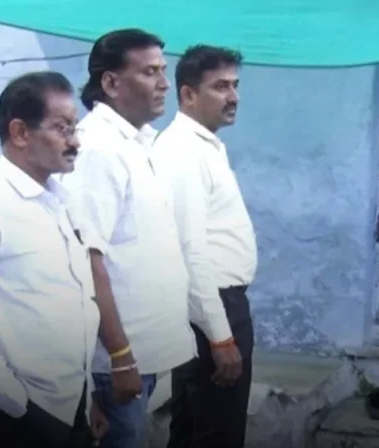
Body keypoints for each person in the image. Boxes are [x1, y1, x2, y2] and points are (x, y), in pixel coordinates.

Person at [0, 71, 108, 448]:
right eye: (62, 128)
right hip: (14, 418)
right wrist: (22, 408)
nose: (75, 141)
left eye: (75, 128)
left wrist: (87, 400)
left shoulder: (60, 202)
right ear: (19, 132)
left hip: (69, 407)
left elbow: (73, 306)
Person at [58, 29, 196, 448]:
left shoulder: (139, 142)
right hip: (117, 360)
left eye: (164, 71)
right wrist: (119, 356)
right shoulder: (98, 148)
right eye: (150, 72)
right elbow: (88, 261)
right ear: (111, 83)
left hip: (144, 352)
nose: (164, 84)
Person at [150, 45, 258, 448]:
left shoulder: (202, 144)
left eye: (235, 85)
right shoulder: (183, 151)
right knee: (216, 432)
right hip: (213, 306)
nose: (234, 97)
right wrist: (220, 336)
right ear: (188, 94)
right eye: (220, 86)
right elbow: (189, 250)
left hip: (217, 305)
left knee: (196, 428)